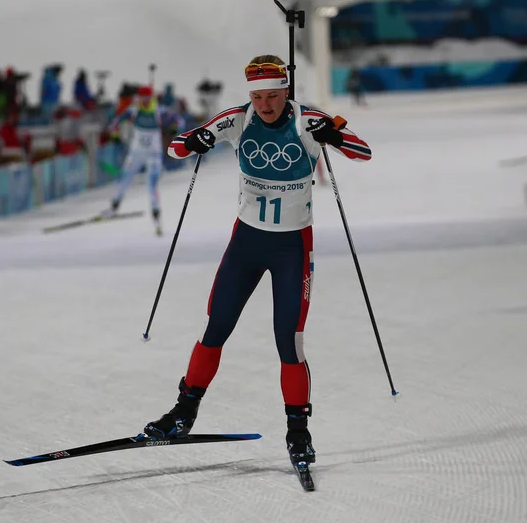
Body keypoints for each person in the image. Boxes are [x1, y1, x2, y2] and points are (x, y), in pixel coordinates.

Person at [143, 55, 372, 468]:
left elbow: (363, 152)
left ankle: (298, 431)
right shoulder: (236, 118)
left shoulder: (309, 120)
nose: (265, 105)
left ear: (286, 91)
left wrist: (333, 136)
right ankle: (184, 412)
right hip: (246, 243)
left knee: (290, 341)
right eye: (258, 97)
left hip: (292, 248)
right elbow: (176, 147)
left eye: (272, 96)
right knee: (215, 327)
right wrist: (195, 143)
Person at [102, 85, 184, 235]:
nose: (143, 101)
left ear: (151, 98)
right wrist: (114, 135)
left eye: (146, 98)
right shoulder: (133, 110)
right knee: (125, 178)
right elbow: (115, 122)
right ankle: (114, 207)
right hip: (136, 153)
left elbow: (179, 121)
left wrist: (174, 129)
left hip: (153, 154)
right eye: (141, 98)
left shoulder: (159, 111)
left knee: (152, 185)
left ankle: (157, 217)